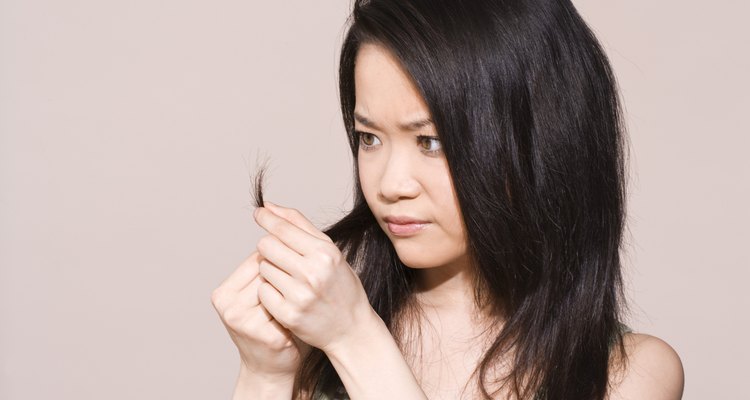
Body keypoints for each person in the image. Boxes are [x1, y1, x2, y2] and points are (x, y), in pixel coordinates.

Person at [211, 0, 685, 398]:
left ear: (540, 145)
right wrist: (266, 374)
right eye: (369, 138)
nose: (391, 184)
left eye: (431, 142)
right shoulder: (318, 337)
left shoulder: (628, 375)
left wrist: (355, 339)